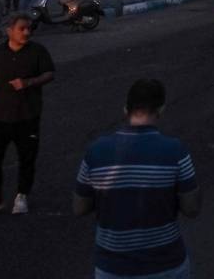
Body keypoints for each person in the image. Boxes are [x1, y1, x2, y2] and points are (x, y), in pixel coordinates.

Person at [74, 79, 201, 279]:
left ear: (126, 109)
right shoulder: (176, 151)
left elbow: (79, 207)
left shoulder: (96, 151)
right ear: (161, 109)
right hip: (166, 264)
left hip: (112, 266)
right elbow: (192, 208)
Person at [0, 12, 56, 218]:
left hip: (28, 116)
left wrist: (28, 83)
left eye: (29, 29)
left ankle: (22, 195)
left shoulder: (38, 51)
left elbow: (49, 74)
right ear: (10, 31)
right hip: (0, 116)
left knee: (27, 158)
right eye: (22, 28)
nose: (27, 32)